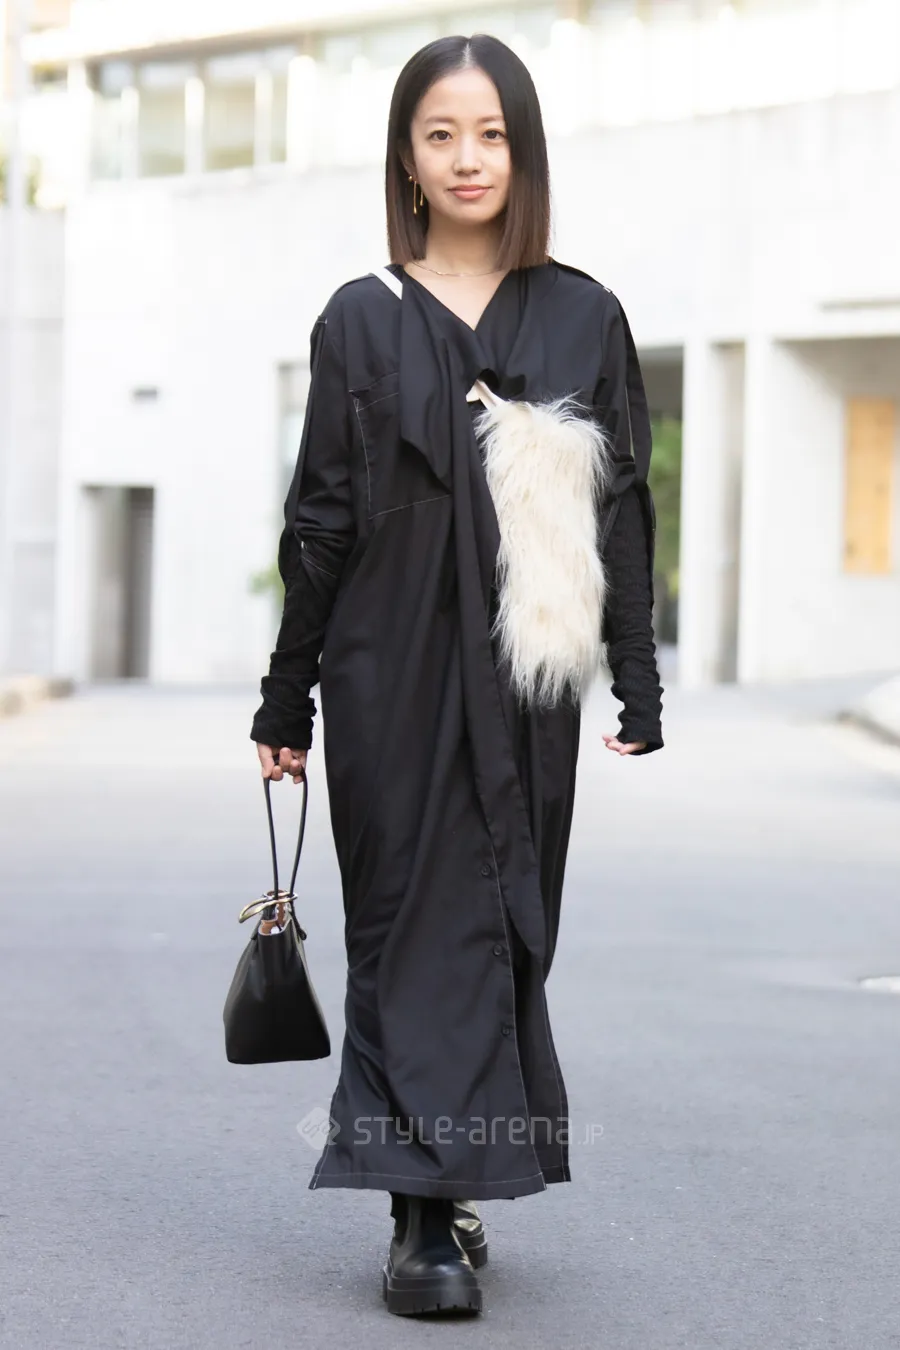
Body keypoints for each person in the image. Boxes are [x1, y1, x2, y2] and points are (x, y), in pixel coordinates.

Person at [250, 32, 664, 1319]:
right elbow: (321, 519)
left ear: (523, 151)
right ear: (407, 159)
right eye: (440, 134)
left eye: (491, 133)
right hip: (389, 669)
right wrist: (287, 694)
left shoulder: (585, 313)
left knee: (503, 920)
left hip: (527, 683)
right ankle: (419, 1218)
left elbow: (621, 507)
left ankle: (454, 1177)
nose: (467, 157)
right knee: (402, 919)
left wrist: (636, 678)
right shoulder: (360, 315)